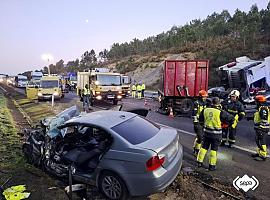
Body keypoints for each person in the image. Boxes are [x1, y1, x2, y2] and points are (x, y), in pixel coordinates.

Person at [197, 97, 234, 171]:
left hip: (206, 133)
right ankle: (212, 166)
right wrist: (225, 125)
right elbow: (231, 118)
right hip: (216, 135)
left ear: (211, 103)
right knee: (214, 150)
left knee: (204, 148)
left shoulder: (205, 110)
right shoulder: (221, 112)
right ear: (219, 103)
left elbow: (200, 120)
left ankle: (199, 162)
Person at [252, 95, 269, 160]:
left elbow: (264, 118)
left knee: (262, 141)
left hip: (262, 128)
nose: (255, 103)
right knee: (258, 140)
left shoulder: (263, 108)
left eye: (256, 101)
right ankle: (259, 152)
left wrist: (260, 125)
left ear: (259, 102)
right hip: (259, 127)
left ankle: (263, 155)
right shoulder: (260, 108)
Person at [192, 90, 208, 156]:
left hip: (203, 122)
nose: (205, 98)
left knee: (200, 137)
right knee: (200, 137)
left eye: (206, 97)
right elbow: (194, 114)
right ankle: (197, 151)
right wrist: (196, 123)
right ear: (200, 96)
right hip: (198, 122)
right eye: (204, 97)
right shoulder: (196, 103)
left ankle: (194, 147)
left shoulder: (205, 103)